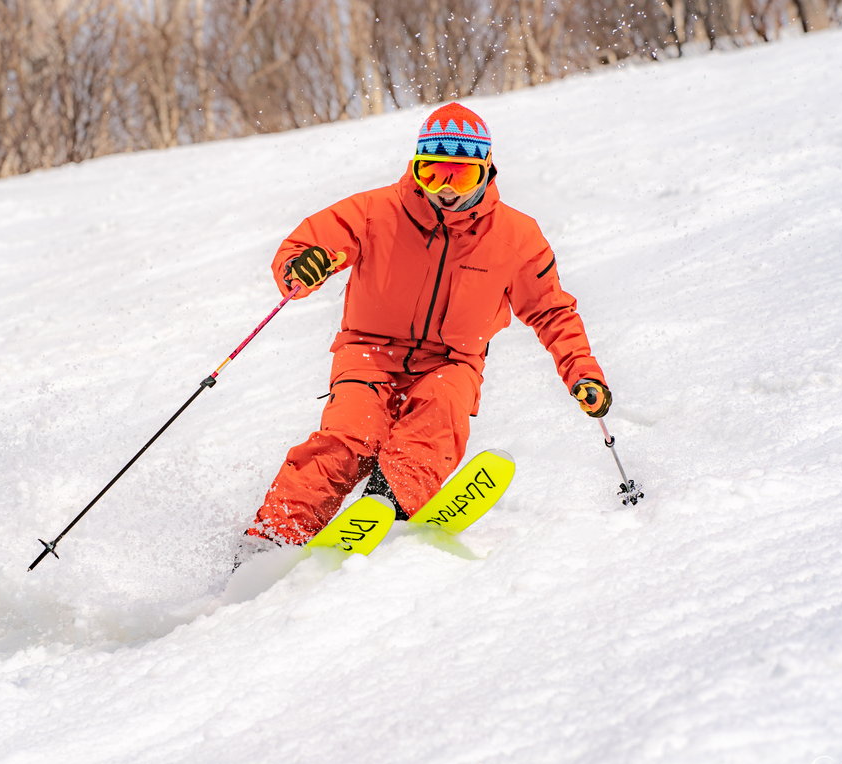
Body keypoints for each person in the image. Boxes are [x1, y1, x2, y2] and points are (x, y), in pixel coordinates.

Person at [242, 102, 611, 552]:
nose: (446, 190)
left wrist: (582, 373)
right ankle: (273, 538)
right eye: (432, 173)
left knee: (438, 417)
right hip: (368, 352)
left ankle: (389, 504)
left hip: (452, 361)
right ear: (416, 168)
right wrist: (302, 267)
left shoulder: (516, 237)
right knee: (346, 438)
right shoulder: (376, 211)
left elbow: (552, 311)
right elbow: (309, 243)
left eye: (461, 176)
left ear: (486, 172)